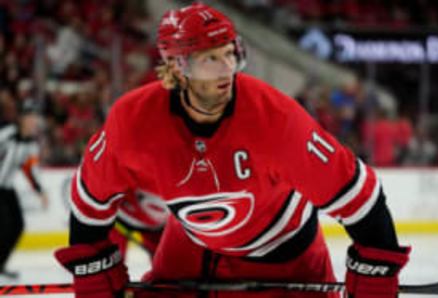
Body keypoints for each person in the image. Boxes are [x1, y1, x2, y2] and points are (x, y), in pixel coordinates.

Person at [54, 3, 410, 298]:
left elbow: (359, 197)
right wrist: (93, 271)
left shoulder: (277, 119)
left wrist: (373, 273)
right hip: (189, 246)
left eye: (230, 54)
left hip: (285, 254)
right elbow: (91, 200)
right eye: (210, 59)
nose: (227, 69)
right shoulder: (132, 120)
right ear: (177, 68)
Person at [0, 102, 48, 279]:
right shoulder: (6, 134)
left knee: (17, 226)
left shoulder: (31, 144)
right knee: (4, 227)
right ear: (21, 119)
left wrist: (40, 191)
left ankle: (1, 263)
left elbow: (29, 170)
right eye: (29, 117)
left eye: (34, 117)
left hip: (7, 188)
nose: (32, 121)